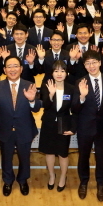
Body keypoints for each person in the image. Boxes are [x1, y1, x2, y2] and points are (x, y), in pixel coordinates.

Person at [0, 56, 42, 197]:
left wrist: (32, 100)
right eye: (9, 66)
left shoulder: (29, 84)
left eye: (16, 66)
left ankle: (22, 180)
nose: (12, 69)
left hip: (24, 127)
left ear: (21, 69)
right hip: (4, 128)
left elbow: (36, 108)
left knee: (24, 157)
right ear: (4, 70)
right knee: (6, 157)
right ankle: (7, 181)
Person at [72, 50, 103, 202]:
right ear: (84, 66)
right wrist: (82, 97)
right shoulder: (80, 82)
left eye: (94, 62)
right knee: (83, 156)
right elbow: (75, 109)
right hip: (84, 125)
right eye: (88, 63)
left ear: (99, 62)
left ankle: (100, 183)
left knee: (101, 157)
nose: (91, 66)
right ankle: (83, 182)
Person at [38, 60, 75, 192]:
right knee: (49, 152)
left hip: (64, 124)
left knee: (63, 153)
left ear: (66, 73)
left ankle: (63, 176)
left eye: (62, 71)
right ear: (52, 73)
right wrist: (51, 95)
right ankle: (52, 175)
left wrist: (73, 128)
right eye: (56, 71)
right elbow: (46, 106)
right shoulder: (46, 85)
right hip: (48, 123)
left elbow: (75, 110)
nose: (59, 74)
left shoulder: (71, 88)